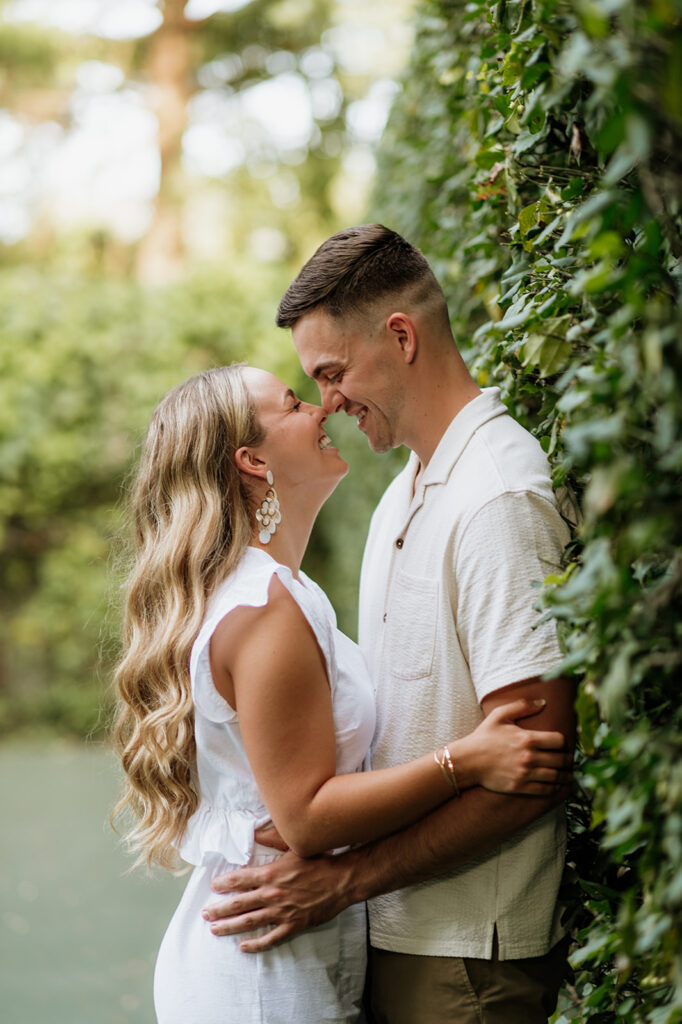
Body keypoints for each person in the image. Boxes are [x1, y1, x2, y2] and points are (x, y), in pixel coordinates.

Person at [112, 363, 572, 1024]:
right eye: (294, 403)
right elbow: (305, 816)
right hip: (264, 975)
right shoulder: (264, 606)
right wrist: (465, 761)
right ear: (252, 459)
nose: (322, 407)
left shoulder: (273, 590)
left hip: (287, 947)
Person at [203, 226, 577, 1024]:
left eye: (332, 374)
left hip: (469, 961)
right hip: (396, 937)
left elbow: (536, 769)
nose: (329, 402)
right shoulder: (401, 492)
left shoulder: (496, 499)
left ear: (400, 337)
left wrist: (345, 879)